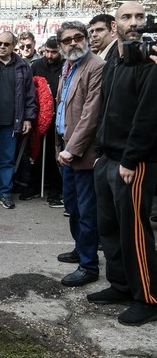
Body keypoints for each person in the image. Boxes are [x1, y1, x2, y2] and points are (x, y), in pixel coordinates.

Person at [89, 2, 157, 326]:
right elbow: (105, 110)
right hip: (108, 159)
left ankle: (148, 297)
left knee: (136, 233)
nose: (134, 22)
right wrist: (100, 154)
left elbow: (148, 117)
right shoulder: (112, 62)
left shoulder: (150, 62)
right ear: (114, 26)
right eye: (126, 17)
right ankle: (120, 285)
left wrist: (130, 159)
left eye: (139, 17)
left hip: (134, 163)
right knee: (110, 230)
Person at [53, 21, 104, 287]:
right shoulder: (69, 66)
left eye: (78, 37)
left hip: (82, 154)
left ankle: (89, 266)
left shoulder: (96, 67)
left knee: (86, 211)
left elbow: (90, 115)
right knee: (72, 207)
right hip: (66, 150)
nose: (73, 43)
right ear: (60, 45)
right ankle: (80, 249)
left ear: (85, 39)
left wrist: (72, 149)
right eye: (67, 40)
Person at [0, 32, 37, 209]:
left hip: (12, 122)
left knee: (7, 160)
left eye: (6, 44)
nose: (2, 47)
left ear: (13, 46)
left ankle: (4, 193)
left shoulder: (22, 66)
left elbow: (29, 95)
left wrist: (28, 118)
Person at [25, 36, 64, 207]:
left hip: (59, 117)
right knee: (36, 153)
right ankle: (34, 185)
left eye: (54, 52)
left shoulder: (66, 65)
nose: (49, 55)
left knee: (54, 155)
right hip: (39, 117)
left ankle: (55, 189)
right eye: (47, 51)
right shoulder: (37, 66)